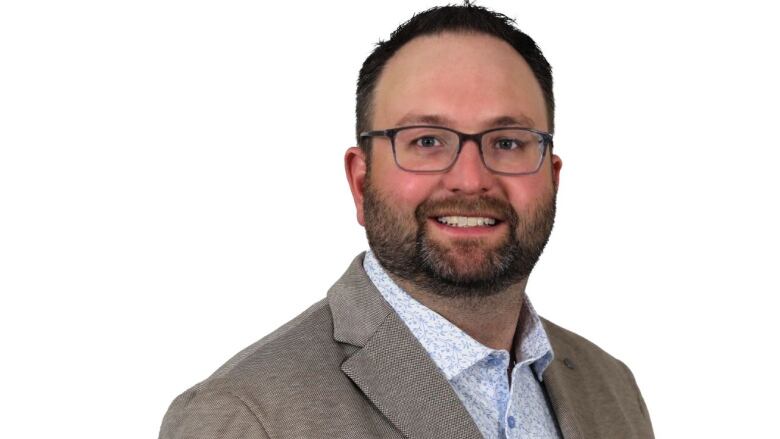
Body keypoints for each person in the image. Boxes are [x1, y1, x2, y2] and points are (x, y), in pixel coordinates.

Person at [159, 3, 654, 438]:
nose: (469, 179)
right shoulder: (248, 417)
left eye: (507, 142)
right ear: (360, 180)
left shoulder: (611, 388)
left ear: (552, 176)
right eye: (426, 141)